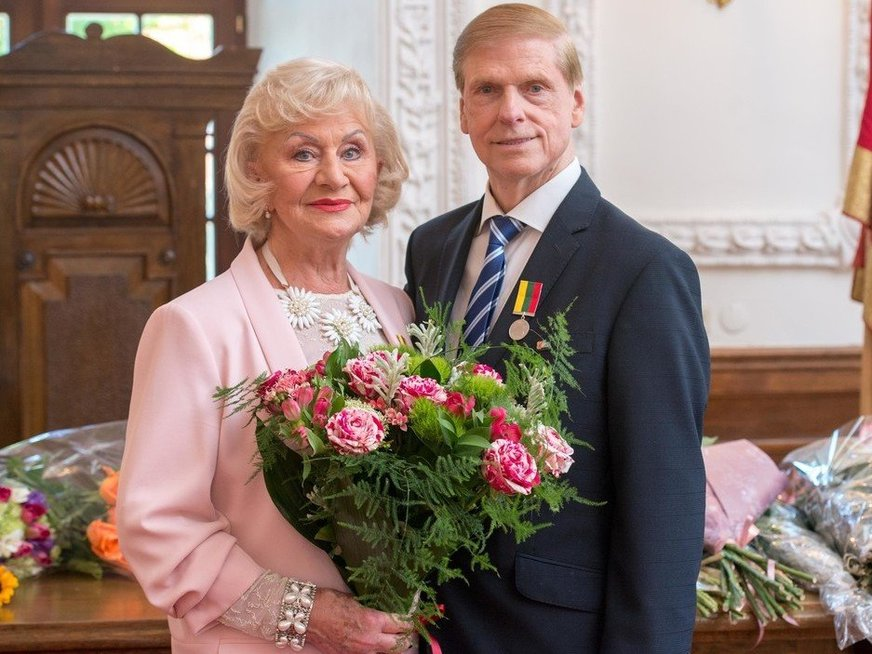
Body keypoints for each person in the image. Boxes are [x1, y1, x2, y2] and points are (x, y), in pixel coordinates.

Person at [404, 4, 710, 652]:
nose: (510, 111)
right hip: (432, 623)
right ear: (462, 111)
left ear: (575, 103)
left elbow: (663, 509)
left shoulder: (642, 269)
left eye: (534, 87)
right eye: (487, 89)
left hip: (556, 633)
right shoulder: (430, 248)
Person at [118, 58, 417, 654]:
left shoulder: (401, 311)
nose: (334, 176)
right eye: (304, 154)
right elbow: (158, 526)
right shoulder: (193, 325)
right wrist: (307, 616)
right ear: (257, 171)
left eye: (352, 151)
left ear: (378, 167)